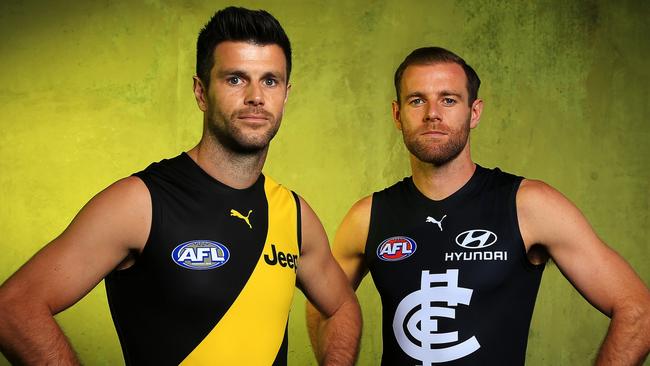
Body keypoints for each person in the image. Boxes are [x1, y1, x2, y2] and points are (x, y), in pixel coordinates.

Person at [0, 7, 361, 366]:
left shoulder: (294, 214)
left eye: (270, 80)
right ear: (201, 92)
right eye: (235, 79)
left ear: (285, 94)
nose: (255, 96)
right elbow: (13, 309)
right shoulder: (139, 203)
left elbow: (342, 306)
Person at [307, 46, 650, 365]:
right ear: (397, 114)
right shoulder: (368, 217)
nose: (432, 115)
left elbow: (638, 310)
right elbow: (324, 306)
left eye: (449, 100)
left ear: (474, 112)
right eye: (416, 101)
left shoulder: (529, 205)